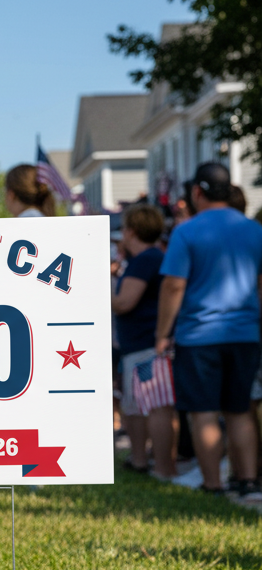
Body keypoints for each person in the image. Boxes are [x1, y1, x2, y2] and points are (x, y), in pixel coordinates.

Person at [156, 162, 262, 495]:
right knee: (240, 409)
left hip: (199, 336)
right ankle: (248, 481)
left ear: (197, 192)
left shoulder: (186, 231)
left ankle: (213, 483)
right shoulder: (253, 229)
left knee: (203, 413)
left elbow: (174, 286)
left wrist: (161, 334)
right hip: (245, 333)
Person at [112, 204, 176, 479]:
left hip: (147, 345)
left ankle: (162, 467)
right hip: (139, 344)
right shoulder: (151, 258)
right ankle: (141, 461)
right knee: (136, 405)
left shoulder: (146, 259)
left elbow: (124, 302)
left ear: (132, 231)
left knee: (156, 406)